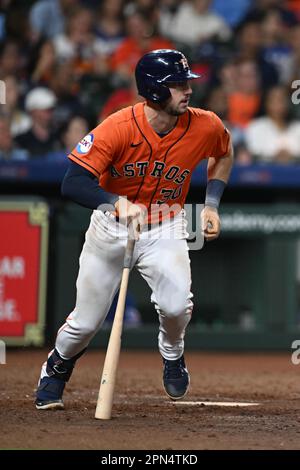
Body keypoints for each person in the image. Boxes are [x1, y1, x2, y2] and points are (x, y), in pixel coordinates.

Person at [35, 49, 233, 410]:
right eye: (177, 84)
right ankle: (56, 368)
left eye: (187, 82)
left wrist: (212, 204)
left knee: (175, 307)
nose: (187, 90)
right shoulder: (118, 127)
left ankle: (172, 353)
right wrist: (114, 202)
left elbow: (223, 152)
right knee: (85, 323)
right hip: (111, 228)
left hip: (166, 224)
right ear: (154, 90)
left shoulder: (205, 124)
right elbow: (73, 182)